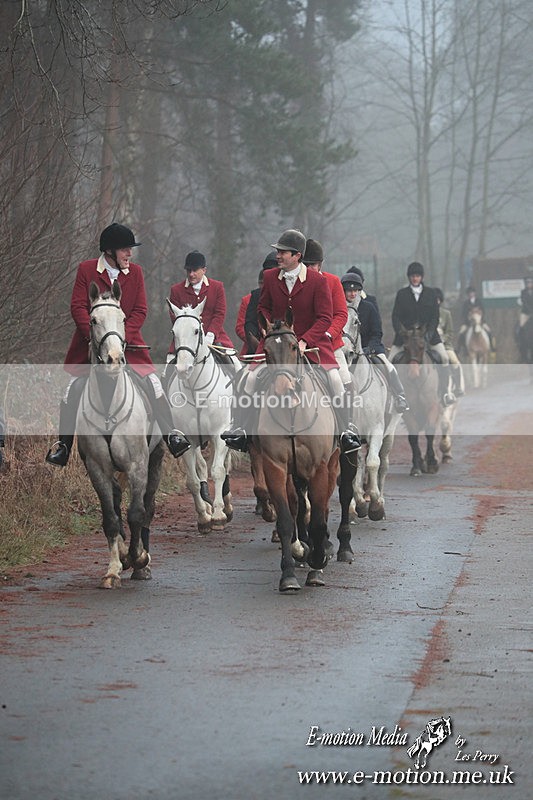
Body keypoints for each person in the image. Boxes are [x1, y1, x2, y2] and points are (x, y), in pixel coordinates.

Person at [45, 223, 190, 466]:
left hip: (129, 346)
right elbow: (78, 307)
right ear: (110, 252)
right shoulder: (86, 269)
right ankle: (64, 447)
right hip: (91, 347)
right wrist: (94, 337)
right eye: (125, 250)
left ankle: (171, 435)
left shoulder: (136, 273)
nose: (129, 254)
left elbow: (141, 310)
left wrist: (122, 339)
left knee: (155, 385)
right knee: (71, 391)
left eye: (129, 250)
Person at [221, 229, 361, 454]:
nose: (278, 256)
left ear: (296, 255)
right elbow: (263, 307)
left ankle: (346, 431)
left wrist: (305, 340)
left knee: (335, 380)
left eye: (282, 252)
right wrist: (268, 327)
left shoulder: (317, 281)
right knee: (248, 378)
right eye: (277, 252)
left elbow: (325, 317)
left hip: (312, 345)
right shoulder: (269, 277)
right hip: (277, 343)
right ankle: (241, 430)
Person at [390, 262, 456, 407]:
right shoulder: (402, 294)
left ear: (422, 277)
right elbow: (395, 316)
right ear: (409, 277)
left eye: (417, 276)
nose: (415, 278)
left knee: (444, 357)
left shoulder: (430, 293)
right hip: (405, 338)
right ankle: (394, 397)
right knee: (390, 361)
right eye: (413, 276)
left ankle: (445, 392)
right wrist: (401, 333)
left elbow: (435, 317)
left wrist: (429, 334)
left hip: (429, 336)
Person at [341, 273, 409, 413]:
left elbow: (377, 332)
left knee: (388, 365)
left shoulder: (369, 307)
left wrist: (369, 348)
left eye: (355, 290)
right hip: (344, 349)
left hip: (369, 348)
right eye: (349, 290)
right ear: (344, 291)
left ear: (360, 291)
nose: (352, 294)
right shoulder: (338, 309)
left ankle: (399, 396)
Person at [302, 238, 351, 387]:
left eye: (313, 265)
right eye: (306, 265)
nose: (310, 269)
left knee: (343, 381)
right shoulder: (296, 284)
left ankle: (346, 409)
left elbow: (341, 314)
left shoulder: (333, 281)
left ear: (320, 265)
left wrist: (328, 334)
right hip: (301, 344)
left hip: (329, 344)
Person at [243, 252, 278, 355]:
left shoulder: (289, 293)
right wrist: (254, 339)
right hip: (260, 347)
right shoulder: (256, 295)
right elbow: (250, 322)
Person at [434, 288, 465, 397]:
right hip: (431, 345)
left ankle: (458, 386)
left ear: (440, 300)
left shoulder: (446, 314)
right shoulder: (426, 314)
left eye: (437, 299)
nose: (435, 301)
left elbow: (450, 332)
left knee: (454, 361)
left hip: (445, 345)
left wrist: (443, 339)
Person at [457, 285, 495, 353]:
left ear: (474, 293)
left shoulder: (479, 301)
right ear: (468, 294)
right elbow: (463, 314)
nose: (471, 294)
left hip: (480, 322)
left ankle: (491, 347)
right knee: (461, 333)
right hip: (468, 323)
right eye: (469, 293)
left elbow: (483, 311)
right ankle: (461, 349)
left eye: (472, 292)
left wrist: (480, 320)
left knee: (489, 331)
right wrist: (468, 320)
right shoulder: (466, 303)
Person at [517, 275, 533, 360]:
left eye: (530, 282)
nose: (529, 284)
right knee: (521, 326)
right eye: (527, 283)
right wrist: (530, 312)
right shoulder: (523, 292)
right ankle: (520, 339)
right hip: (526, 313)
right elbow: (524, 302)